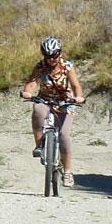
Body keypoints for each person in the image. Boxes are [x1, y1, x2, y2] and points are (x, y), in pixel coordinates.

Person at [19, 36, 86, 187]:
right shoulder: (40, 66)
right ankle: (39, 146)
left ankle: (68, 172)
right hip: (45, 99)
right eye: (48, 56)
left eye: (54, 55)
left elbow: (76, 86)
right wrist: (28, 92)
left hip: (65, 102)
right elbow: (32, 82)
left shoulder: (67, 66)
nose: (51, 59)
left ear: (60, 53)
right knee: (37, 110)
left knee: (63, 135)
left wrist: (78, 97)